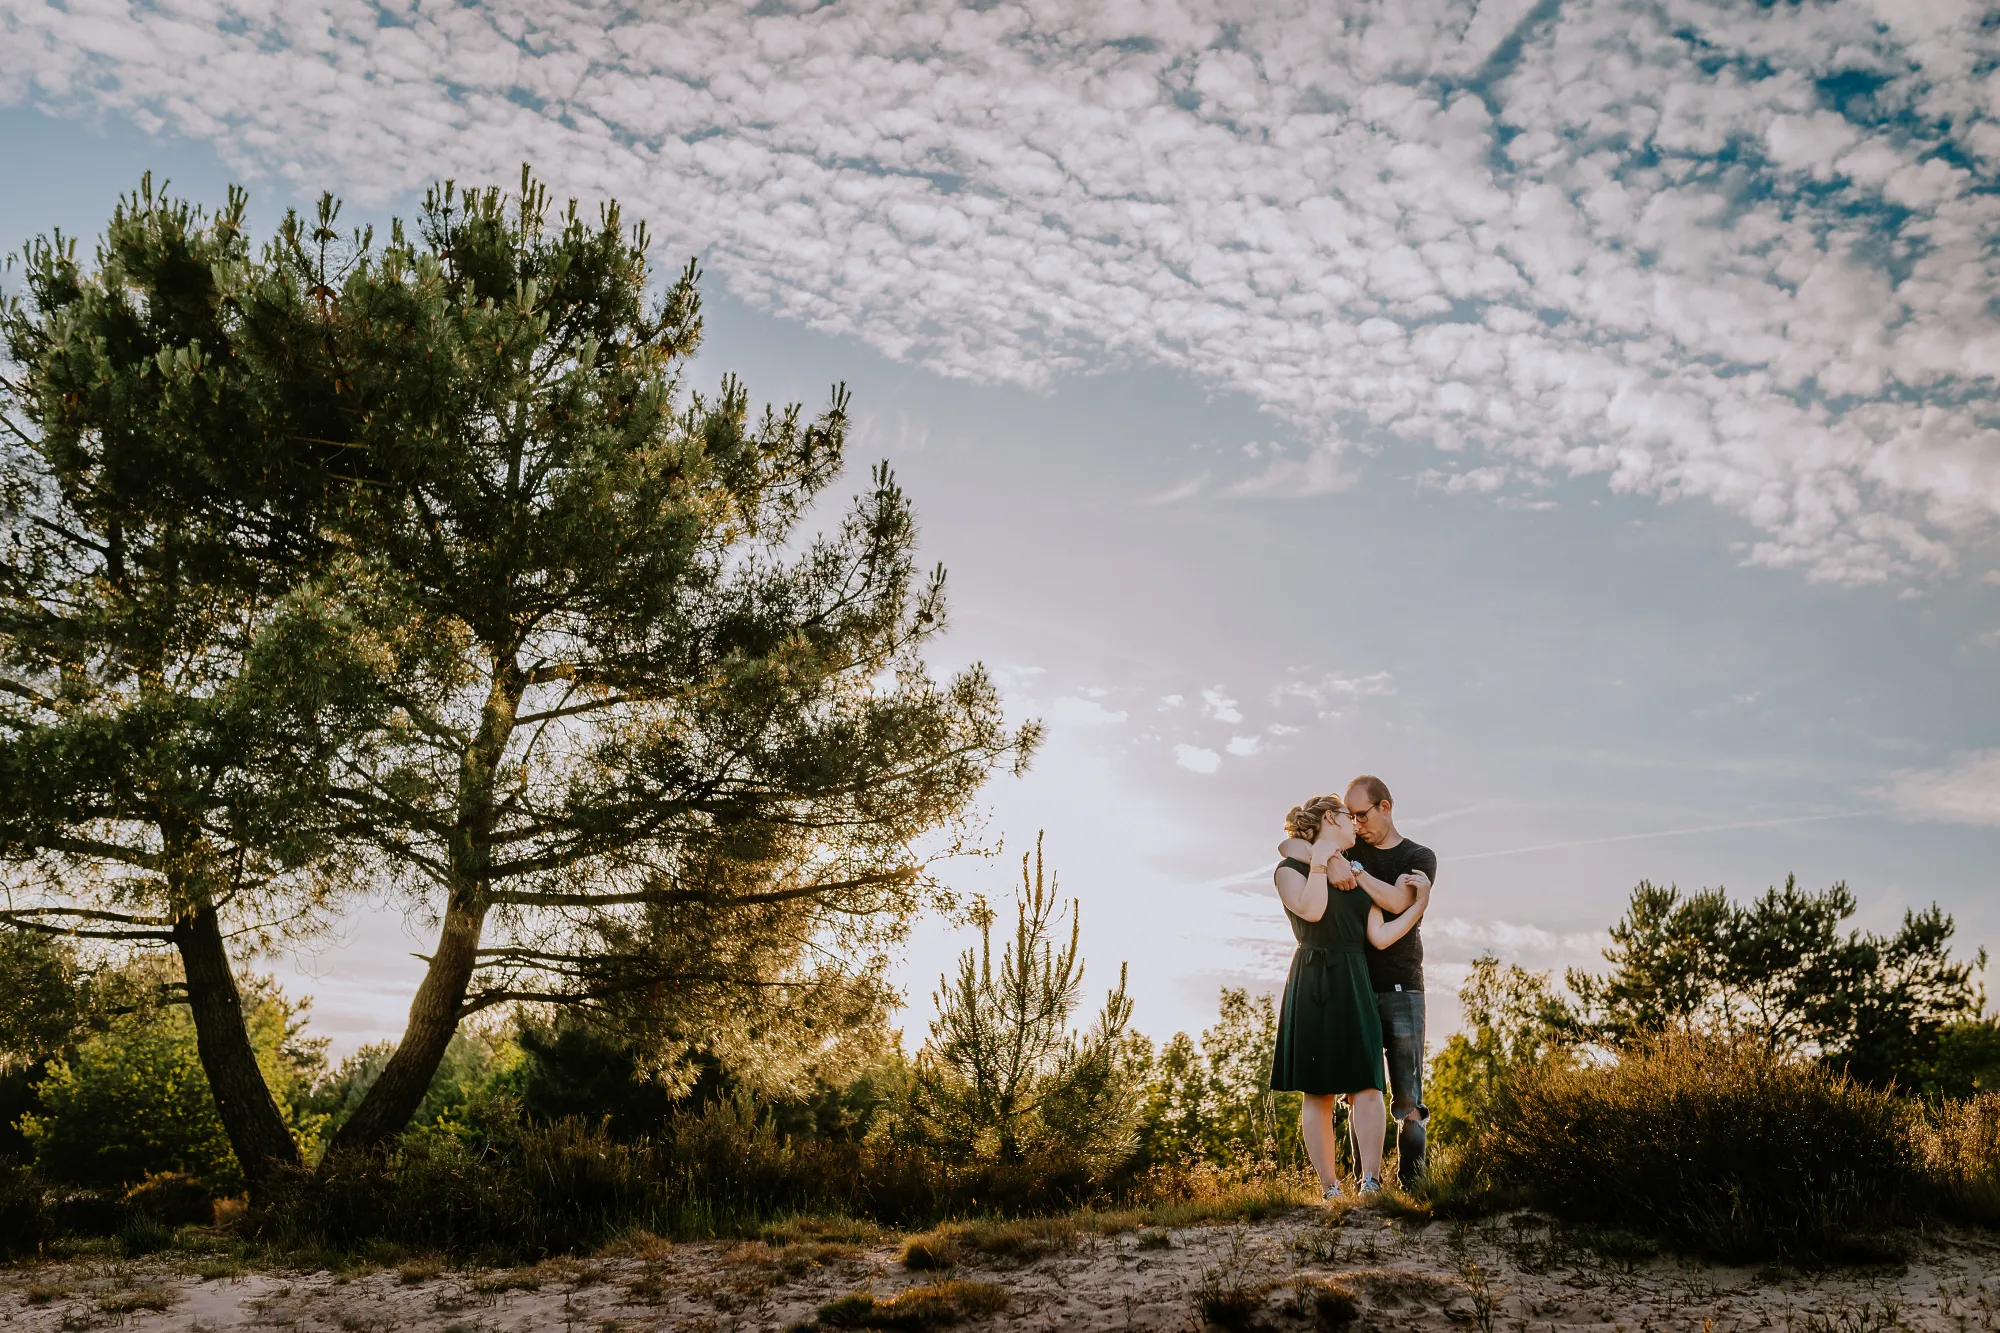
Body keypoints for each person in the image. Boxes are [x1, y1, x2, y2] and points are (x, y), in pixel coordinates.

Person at [1268, 793, 1428, 1201]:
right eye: (1346, 816)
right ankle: (1330, 1187)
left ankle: (1370, 1181)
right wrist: (1322, 860)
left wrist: (1420, 905)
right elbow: (1314, 910)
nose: (1355, 824)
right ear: (1328, 818)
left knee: (1368, 1085)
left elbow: (1380, 934)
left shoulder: (1357, 875)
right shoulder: (1288, 871)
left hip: (1355, 978)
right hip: (1313, 980)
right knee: (1317, 1091)